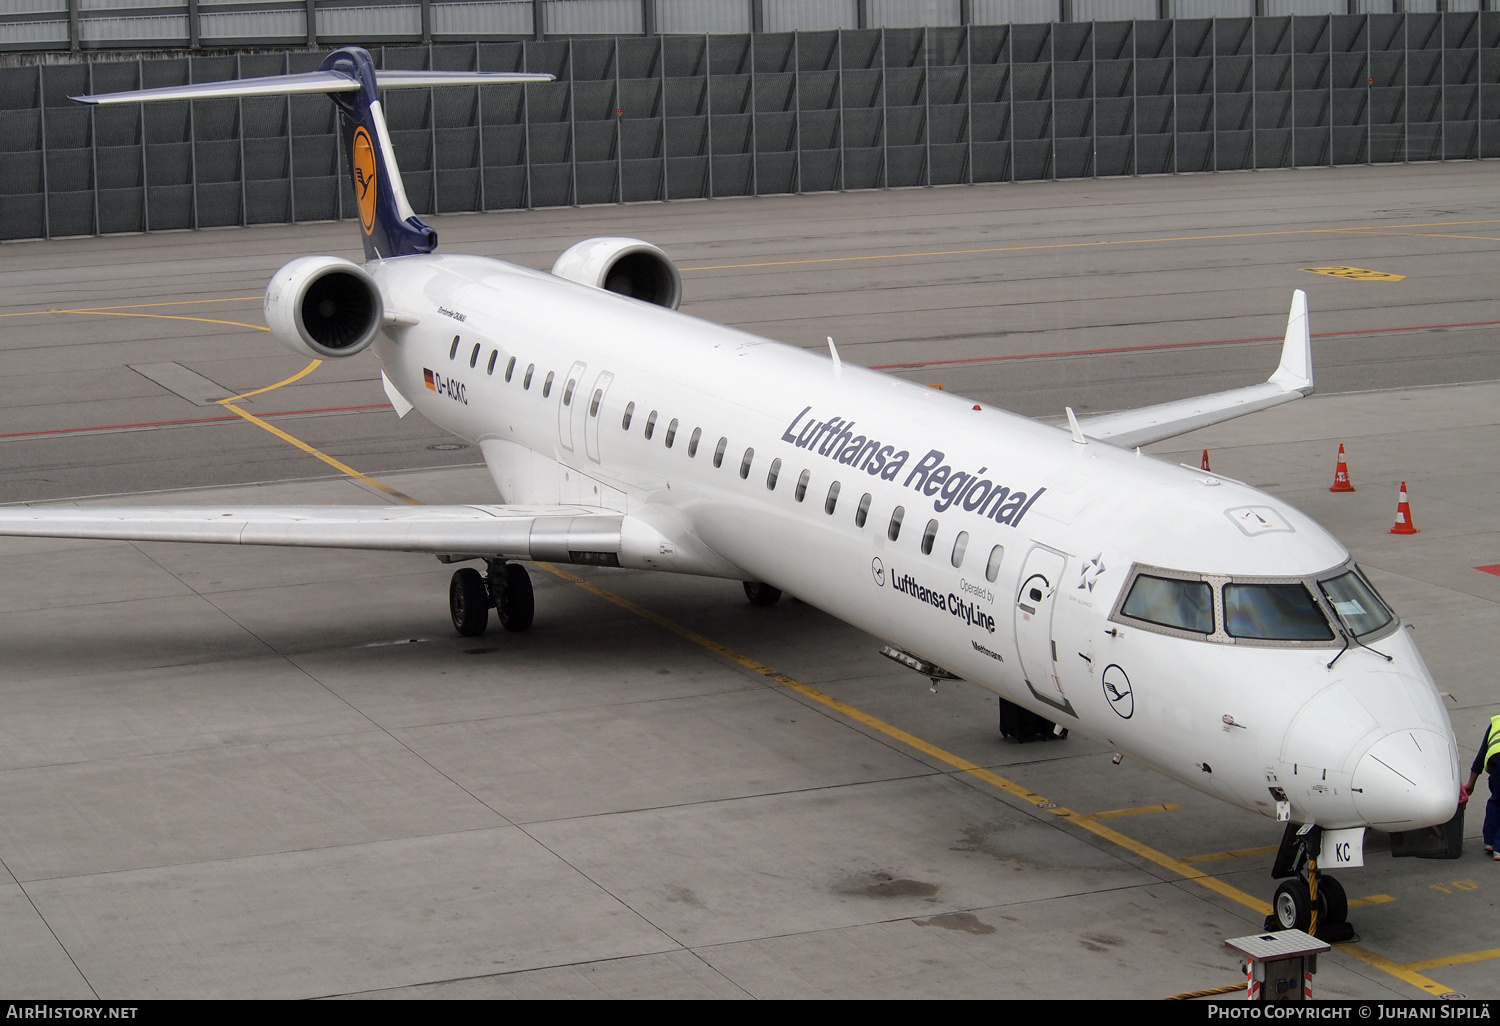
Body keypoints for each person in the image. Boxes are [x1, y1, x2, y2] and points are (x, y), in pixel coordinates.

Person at [1463, 714, 1500, 861]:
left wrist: (1471, 782)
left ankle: (1490, 841)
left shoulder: (1496, 722)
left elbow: (1481, 755)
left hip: (1495, 763)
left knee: (1496, 800)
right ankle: (1499, 848)